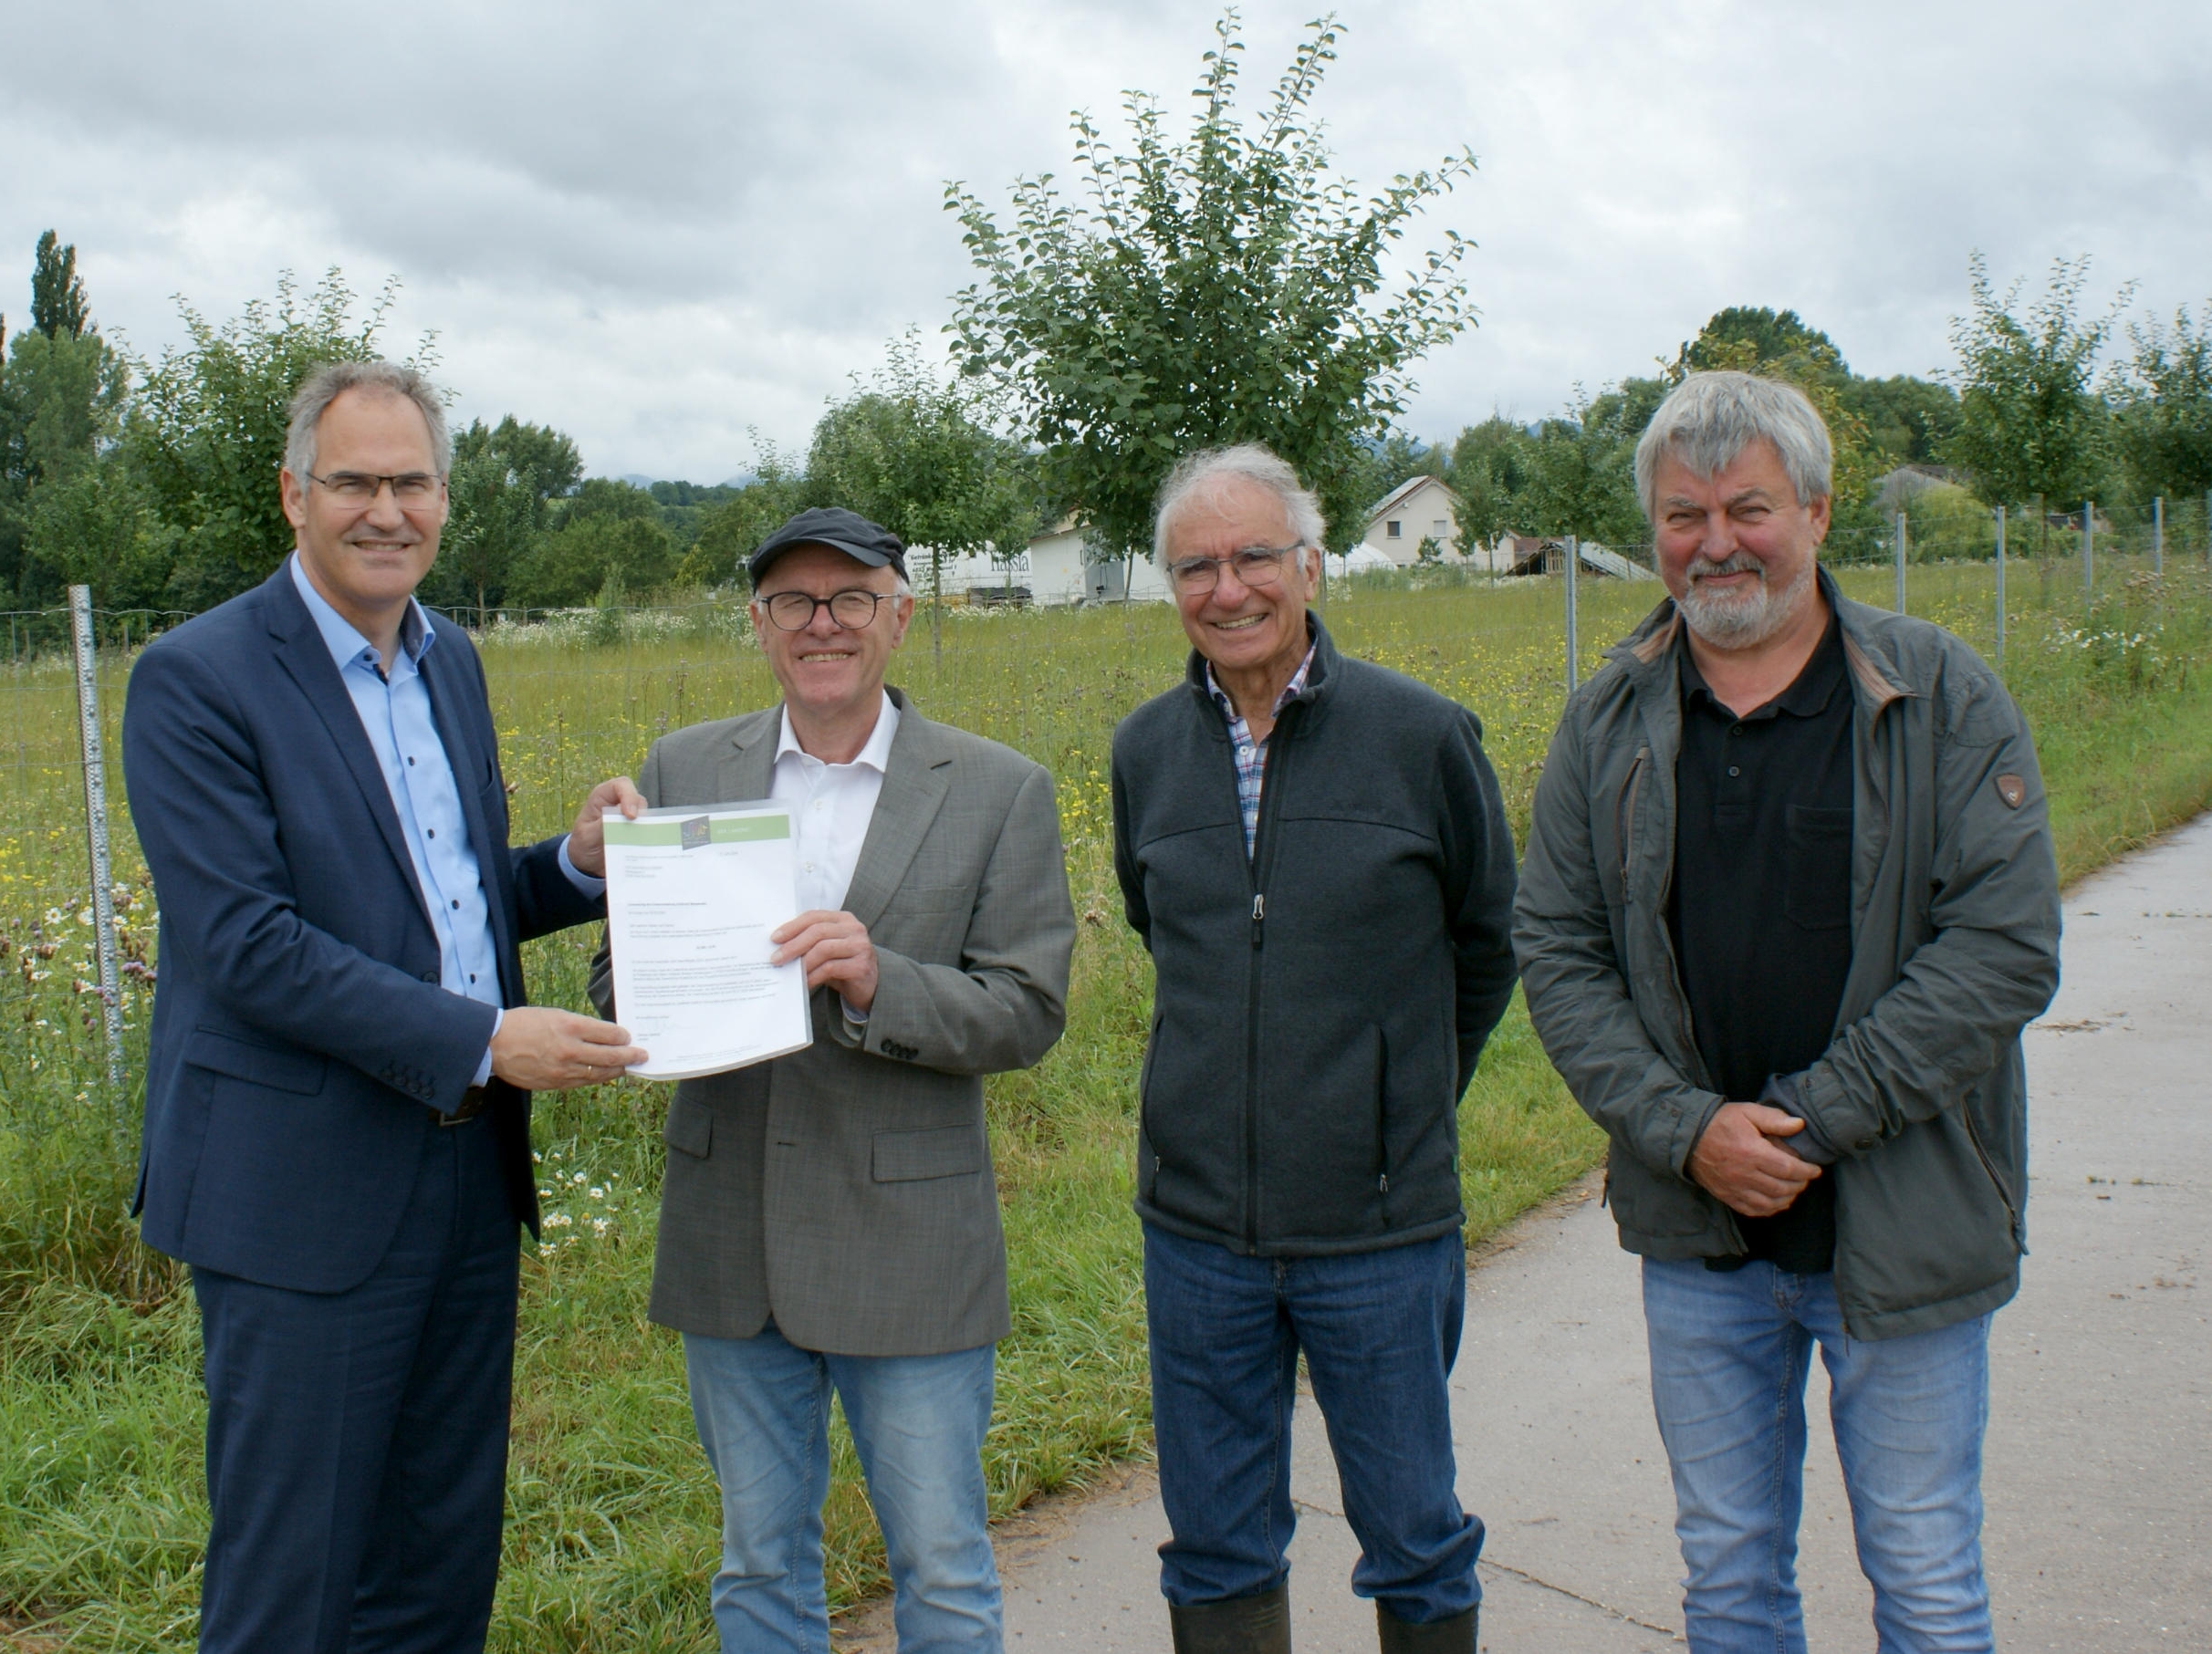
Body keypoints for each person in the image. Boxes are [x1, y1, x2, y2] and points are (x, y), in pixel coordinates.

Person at [1514, 370, 2061, 1653]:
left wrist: (1808, 1121)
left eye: (1745, 507)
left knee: (1923, 1581)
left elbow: (2000, 947)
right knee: (1727, 1583)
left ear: (1814, 513)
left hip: (1901, 1225)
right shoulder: (1604, 719)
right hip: (1697, 1239)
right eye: (1680, 514)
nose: (1712, 543)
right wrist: (1686, 1130)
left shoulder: (1938, 696)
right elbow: (1557, 943)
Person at [122, 359, 648, 1654]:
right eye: (352, 481)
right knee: (291, 1578)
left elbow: (443, 904)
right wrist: (483, 1037)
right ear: (293, 495)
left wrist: (573, 866)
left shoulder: (447, 661)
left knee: (437, 1554)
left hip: (466, 1175)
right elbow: (247, 944)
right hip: (300, 1193)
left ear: (444, 499)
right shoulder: (196, 680)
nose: (384, 509)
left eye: (410, 481)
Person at [587, 505, 1075, 1654]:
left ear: (899, 618)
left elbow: (1029, 1009)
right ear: (759, 625)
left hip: (911, 1243)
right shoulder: (682, 765)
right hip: (731, 1238)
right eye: (794, 602)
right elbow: (619, 974)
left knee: (943, 1568)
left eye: (851, 598)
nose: (823, 624)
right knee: (758, 1568)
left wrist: (879, 981)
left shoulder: (999, 788)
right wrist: (636, 989)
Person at [1108, 445, 1518, 1654]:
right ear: (1169, 583)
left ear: (1310, 564)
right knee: (1216, 1541)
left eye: (1252, 557)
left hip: (1376, 1233)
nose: (1225, 589)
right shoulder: (1143, 753)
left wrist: (1399, 1100)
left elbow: (1484, 943)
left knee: (1413, 1535)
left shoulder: (1422, 737)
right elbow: (1167, 937)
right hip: (1196, 1234)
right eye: (1195, 565)